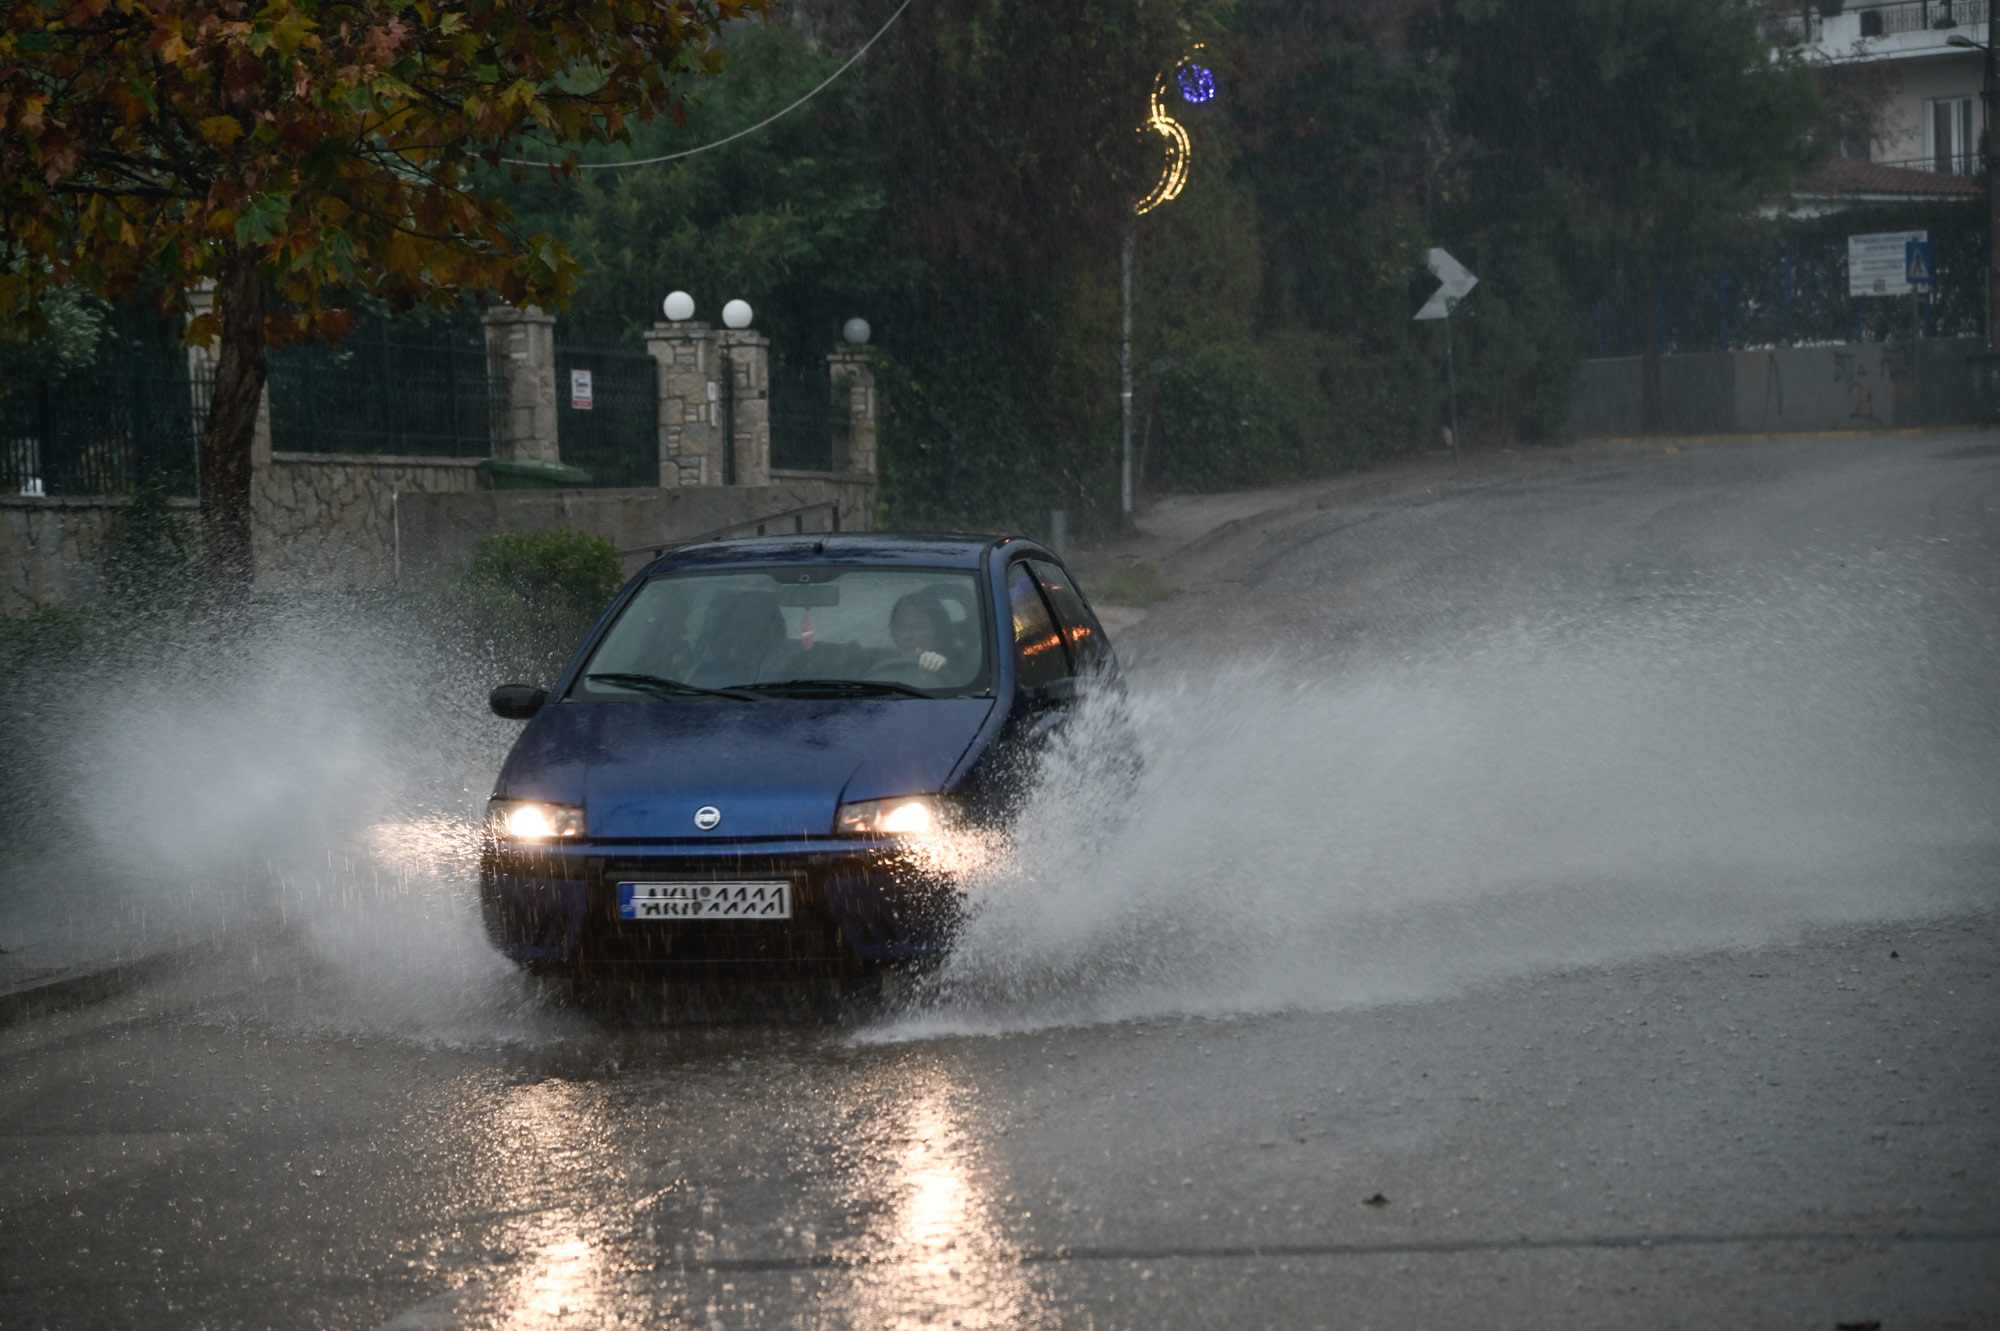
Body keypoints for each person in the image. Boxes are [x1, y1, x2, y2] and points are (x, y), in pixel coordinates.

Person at [888, 593, 952, 675]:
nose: (906, 636)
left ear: (937, 633)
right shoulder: (877, 667)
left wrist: (941, 670)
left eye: (918, 627)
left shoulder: (963, 674)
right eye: (900, 626)